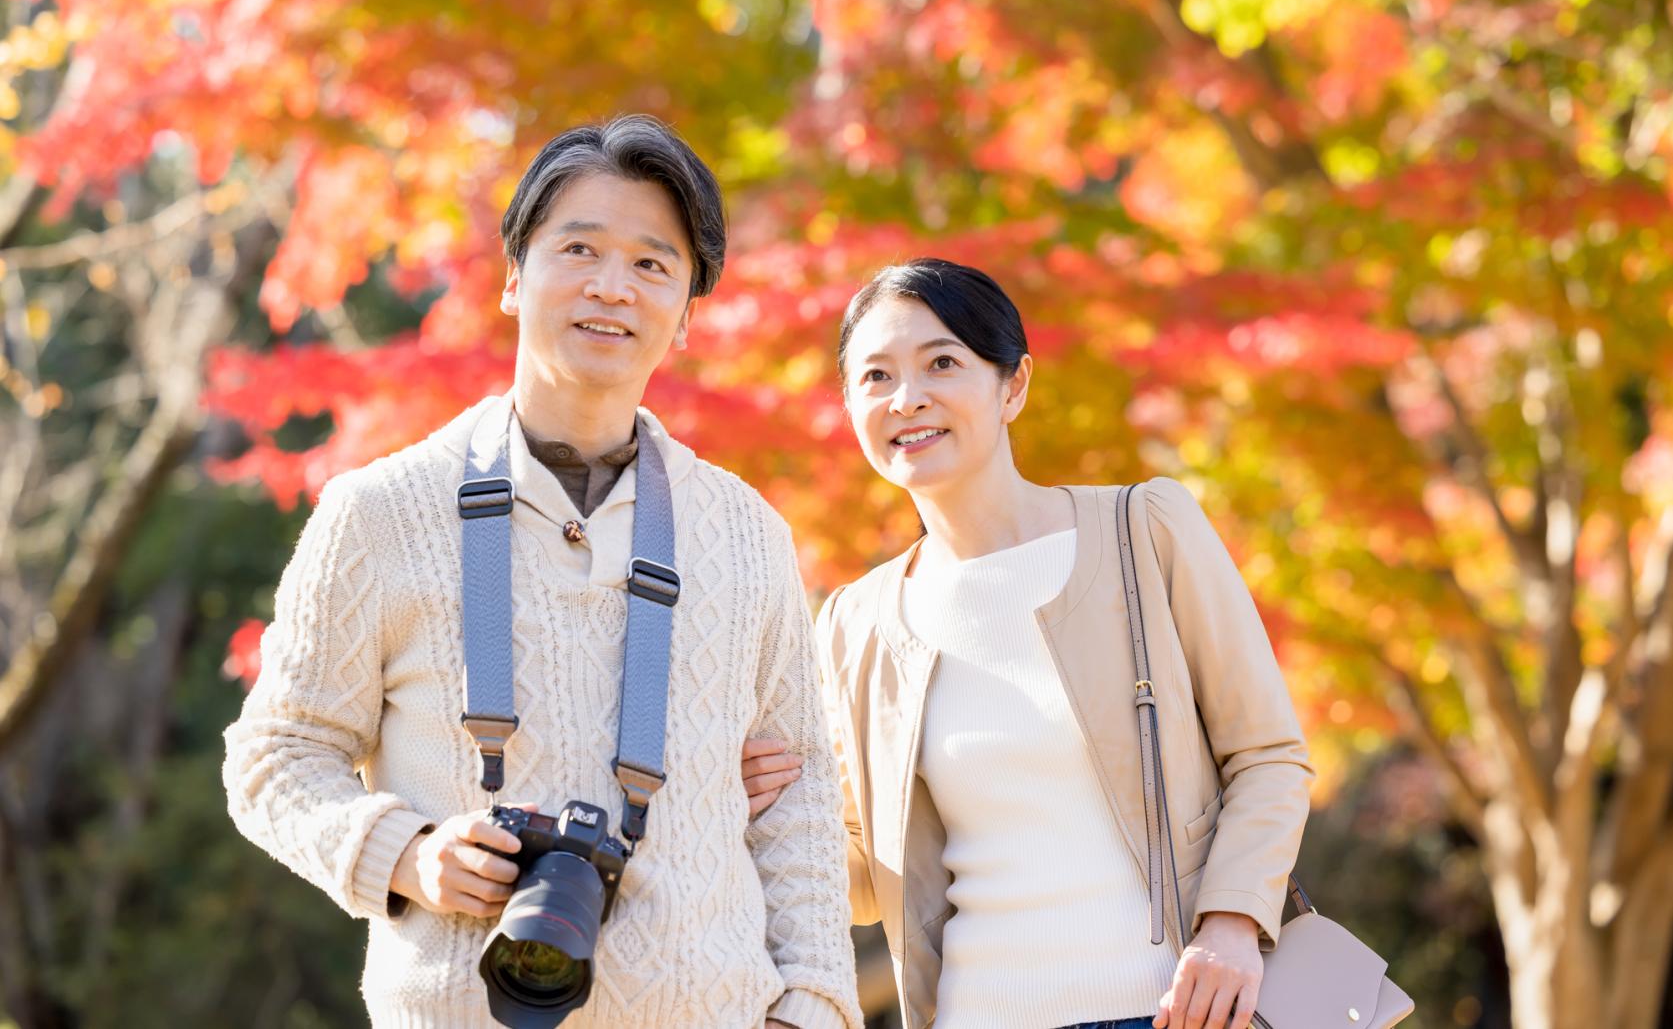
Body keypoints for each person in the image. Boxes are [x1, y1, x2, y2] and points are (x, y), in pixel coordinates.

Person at [223, 115, 862, 1029]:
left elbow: (796, 803)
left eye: (653, 264)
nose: (613, 287)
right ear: (515, 279)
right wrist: (406, 856)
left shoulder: (748, 533)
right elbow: (274, 756)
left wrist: (813, 1009)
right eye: (580, 248)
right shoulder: (380, 513)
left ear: (685, 316)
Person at [802, 258, 1313, 1029]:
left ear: (1013, 386)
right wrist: (744, 800)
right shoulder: (854, 619)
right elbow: (865, 876)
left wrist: (1232, 923)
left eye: (941, 363)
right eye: (874, 377)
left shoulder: (1145, 530)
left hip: (1179, 1010)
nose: (907, 399)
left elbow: (1266, 756)